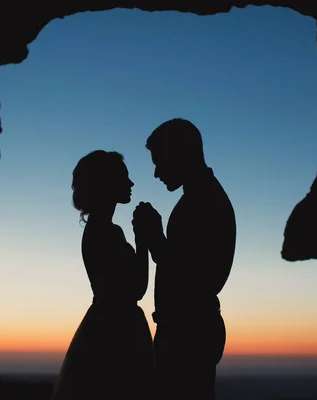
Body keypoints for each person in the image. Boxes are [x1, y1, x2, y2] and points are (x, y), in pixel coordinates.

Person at [132, 118, 236, 400]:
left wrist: (153, 237)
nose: (156, 173)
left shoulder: (204, 202)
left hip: (187, 336)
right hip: (188, 330)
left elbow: (195, 278)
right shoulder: (200, 198)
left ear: (179, 154)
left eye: (159, 162)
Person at [50, 150, 155, 400]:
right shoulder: (105, 233)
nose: (130, 183)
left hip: (106, 325)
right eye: (124, 177)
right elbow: (137, 288)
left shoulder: (101, 229)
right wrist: (143, 239)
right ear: (106, 183)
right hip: (118, 332)